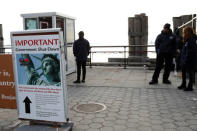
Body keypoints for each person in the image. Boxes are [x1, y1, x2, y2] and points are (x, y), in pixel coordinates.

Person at [177, 27, 197, 91]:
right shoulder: (187, 40)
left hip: (189, 60)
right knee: (183, 72)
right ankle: (183, 84)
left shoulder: (191, 40)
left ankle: (190, 86)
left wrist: (186, 59)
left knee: (191, 73)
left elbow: (191, 51)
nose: (184, 33)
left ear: (188, 32)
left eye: (184, 32)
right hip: (184, 59)